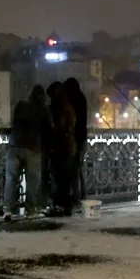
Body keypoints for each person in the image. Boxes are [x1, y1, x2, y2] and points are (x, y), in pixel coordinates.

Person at [3, 84, 52, 220]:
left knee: (11, 179)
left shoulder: (21, 105)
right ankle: (30, 211)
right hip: (33, 148)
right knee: (32, 181)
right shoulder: (43, 109)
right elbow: (48, 129)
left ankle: (8, 210)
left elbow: (14, 122)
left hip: (14, 145)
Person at [47, 81, 77, 216]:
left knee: (59, 178)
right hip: (69, 147)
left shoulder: (59, 109)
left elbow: (57, 128)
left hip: (60, 147)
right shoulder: (69, 107)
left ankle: (60, 206)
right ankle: (66, 206)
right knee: (65, 178)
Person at [63, 77, 89, 209]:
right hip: (83, 138)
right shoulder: (82, 98)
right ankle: (82, 198)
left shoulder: (72, 101)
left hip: (75, 139)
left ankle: (76, 199)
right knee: (79, 171)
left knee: (74, 171)